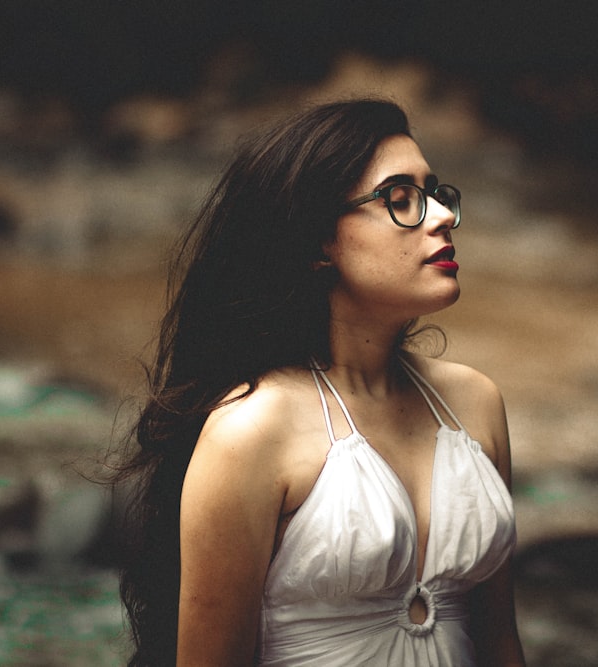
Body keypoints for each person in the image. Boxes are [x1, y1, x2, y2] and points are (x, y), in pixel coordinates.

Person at [114, 98, 524, 666]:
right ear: (316, 245)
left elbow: (500, 639)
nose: (442, 216)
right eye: (399, 199)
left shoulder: (474, 402)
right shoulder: (252, 429)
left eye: (435, 194)